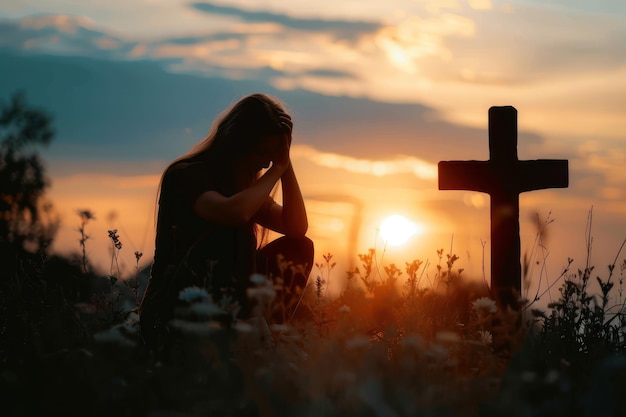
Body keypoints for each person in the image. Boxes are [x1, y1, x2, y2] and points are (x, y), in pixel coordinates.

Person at [139, 93, 314, 350]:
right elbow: (233, 214)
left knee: (300, 247)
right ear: (239, 143)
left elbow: (296, 228)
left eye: (272, 156)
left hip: (229, 307)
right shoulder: (186, 175)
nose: (266, 164)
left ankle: (266, 333)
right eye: (263, 153)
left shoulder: (243, 189)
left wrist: (285, 164)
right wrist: (276, 170)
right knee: (235, 232)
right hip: (173, 307)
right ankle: (253, 336)